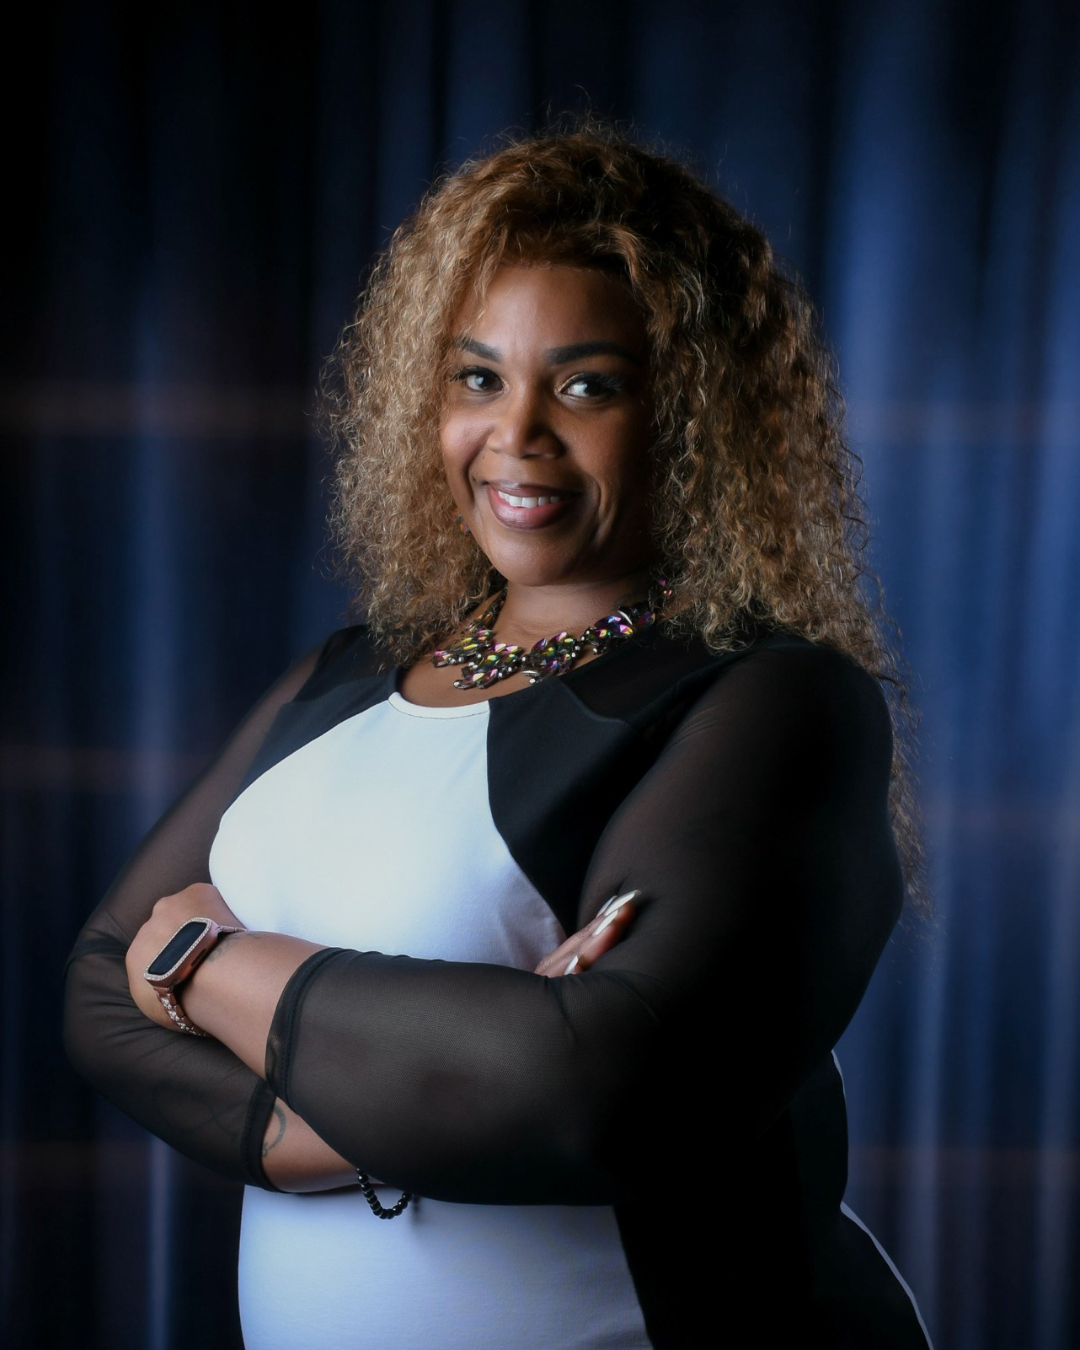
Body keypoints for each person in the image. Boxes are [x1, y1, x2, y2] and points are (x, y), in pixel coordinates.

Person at [64, 125, 932, 1348]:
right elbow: (100, 989)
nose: (517, 432)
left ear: (690, 416)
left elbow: (595, 1098)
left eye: (586, 386)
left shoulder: (773, 702)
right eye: (478, 379)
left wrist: (201, 965)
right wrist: (398, 1107)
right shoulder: (347, 673)